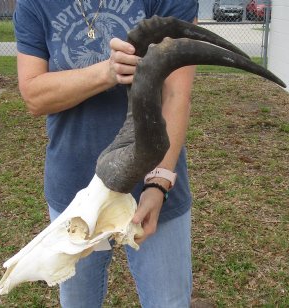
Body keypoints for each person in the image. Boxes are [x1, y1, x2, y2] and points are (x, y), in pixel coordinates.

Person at [14, 0, 198, 307]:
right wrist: (107, 72)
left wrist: (159, 183)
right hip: (78, 194)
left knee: (168, 302)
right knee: (78, 302)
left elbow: (176, 93)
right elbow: (34, 95)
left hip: (152, 186)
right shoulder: (35, 4)